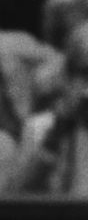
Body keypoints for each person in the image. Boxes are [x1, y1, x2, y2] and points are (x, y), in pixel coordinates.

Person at [11, 22, 88, 197]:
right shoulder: (40, 128)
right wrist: (55, 136)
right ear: (68, 77)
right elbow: (18, 197)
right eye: (86, 73)